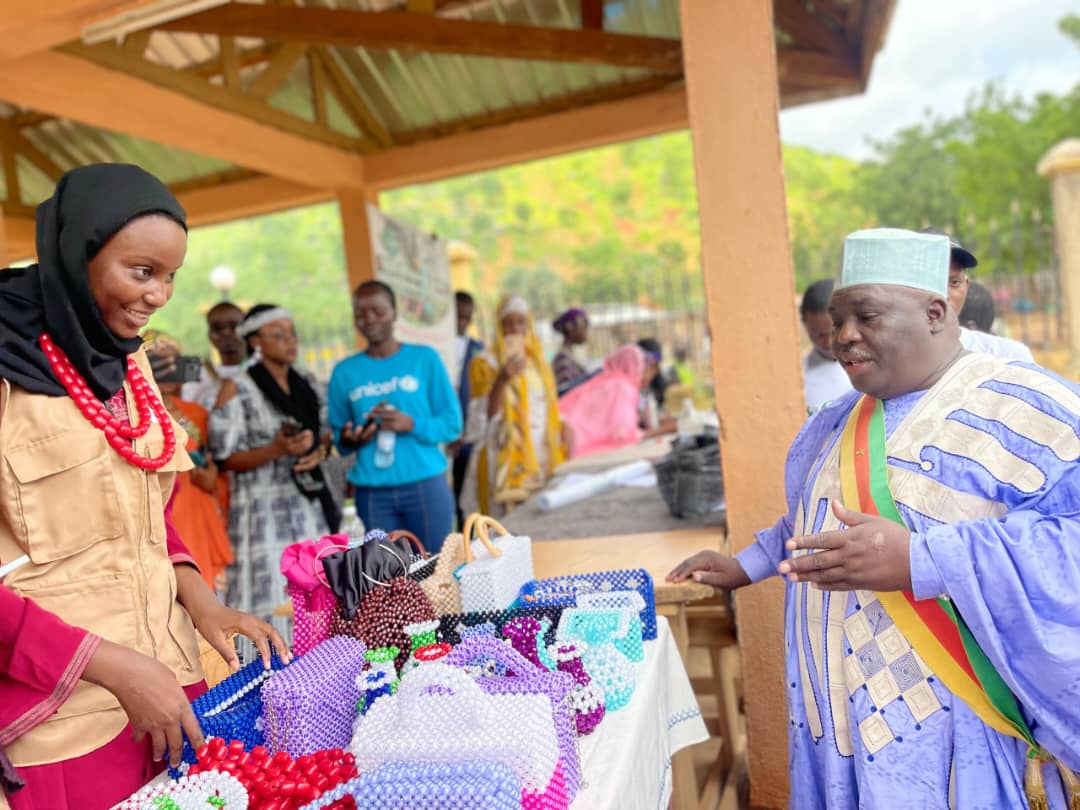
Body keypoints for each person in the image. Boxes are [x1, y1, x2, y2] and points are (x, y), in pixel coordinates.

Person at [668, 228, 1079, 809]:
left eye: (867, 316)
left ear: (935, 311)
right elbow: (809, 525)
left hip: (961, 726)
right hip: (835, 720)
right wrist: (744, 565)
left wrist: (919, 559)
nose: (844, 337)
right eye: (838, 320)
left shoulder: (1031, 408)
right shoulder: (831, 423)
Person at [0, 165, 287, 808]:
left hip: (170, 688)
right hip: (63, 721)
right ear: (78, 255)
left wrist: (204, 605)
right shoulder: (6, 373)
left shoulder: (126, 363)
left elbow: (146, 514)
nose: (158, 295)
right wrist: (115, 667)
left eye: (170, 277)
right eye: (141, 271)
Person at [211, 304, 337, 625]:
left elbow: (325, 433)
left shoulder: (305, 381)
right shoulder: (238, 387)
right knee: (270, 600)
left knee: (317, 589)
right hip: (261, 510)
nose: (290, 341)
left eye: (292, 334)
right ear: (255, 342)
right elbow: (224, 456)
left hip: (307, 503)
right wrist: (275, 450)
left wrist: (316, 450)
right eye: (278, 335)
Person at [328, 281, 461, 553]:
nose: (369, 319)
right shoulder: (345, 372)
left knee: (438, 567)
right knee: (389, 579)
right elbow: (339, 440)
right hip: (373, 493)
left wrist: (412, 424)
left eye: (377, 310)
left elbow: (452, 424)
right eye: (361, 313)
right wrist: (352, 438)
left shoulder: (424, 359)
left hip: (425, 485)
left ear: (394, 313)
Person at [145, 331, 233, 593]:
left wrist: (211, 478)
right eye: (159, 362)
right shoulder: (134, 415)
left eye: (175, 362)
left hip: (199, 512)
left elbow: (215, 466)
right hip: (161, 517)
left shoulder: (196, 414)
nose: (171, 369)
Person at [463, 295, 566, 516]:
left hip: (539, 461)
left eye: (521, 322)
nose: (515, 329)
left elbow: (550, 414)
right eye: (507, 323)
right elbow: (482, 422)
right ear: (499, 327)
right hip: (501, 465)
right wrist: (501, 380)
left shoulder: (540, 365)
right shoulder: (485, 363)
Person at [921, 227, 1035, 362]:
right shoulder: (891, 366)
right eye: (930, 281)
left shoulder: (1009, 357)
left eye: (954, 282)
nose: (944, 295)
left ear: (966, 285)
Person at [559, 344, 670, 457]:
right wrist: (663, 430)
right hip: (574, 447)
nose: (647, 374)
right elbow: (622, 433)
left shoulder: (605, 380)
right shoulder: (622, 387)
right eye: (642, 366)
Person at [449, 291, 485, 530]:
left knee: (467, 490)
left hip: (469, 432)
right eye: (457, 318)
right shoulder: (437, 350)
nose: (462, 323)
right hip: (446, 432)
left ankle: (470, 535)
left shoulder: (478, 350)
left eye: (467, 318)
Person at [181, 301, 247, 411]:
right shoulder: (197, 370)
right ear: (209, 334)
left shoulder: (261, 368)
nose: (225, 333)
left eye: (233, 326)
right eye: (218, 328)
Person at [800, 278, 852, 414]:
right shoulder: (799, 378)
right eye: (819, 335)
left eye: (835, 330)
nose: (829, 342)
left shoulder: (876, 368)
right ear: (805, 323)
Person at [551, 307, 590, 395]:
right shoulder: (562, 359)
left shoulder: (572, 355)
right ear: (570, 328)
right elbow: (567, 395)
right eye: (583, 327)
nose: (586, 332)